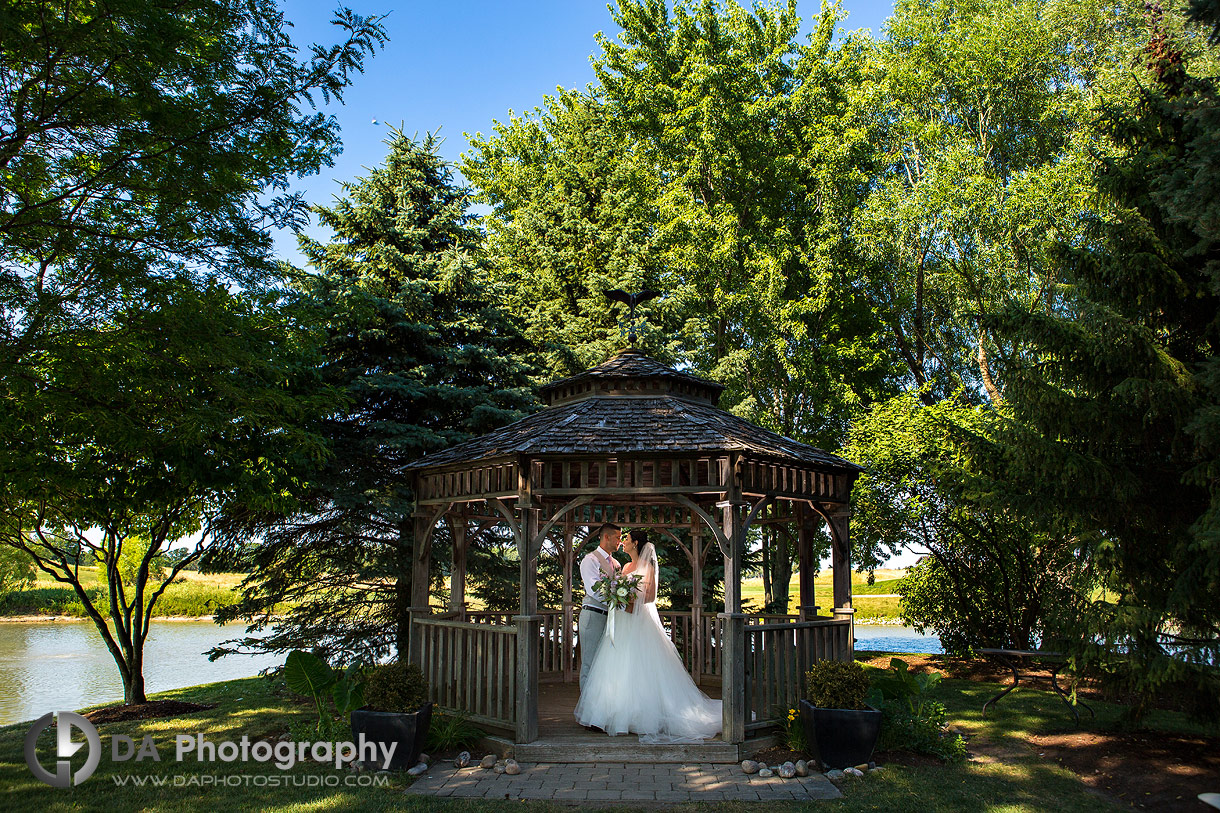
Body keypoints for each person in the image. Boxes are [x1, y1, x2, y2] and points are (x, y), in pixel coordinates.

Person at [573, 528, 722, 742]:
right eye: (618, 537)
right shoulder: (619, 566)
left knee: (637, 666)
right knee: (612, 667)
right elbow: (604, 589)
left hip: (636, 620)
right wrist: (621, 599)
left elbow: (650, 596)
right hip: (620, 620)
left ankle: (636, 714)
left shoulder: (641, 566)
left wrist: (628, 599)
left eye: (625, 539)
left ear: (635, 543)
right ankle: (602, 713)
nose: (622, 542)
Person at [577, 522, 622, 688]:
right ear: (606, 537)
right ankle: (585, 710)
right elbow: (593, 589)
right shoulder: (590, 560)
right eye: (617, 537)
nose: (620, 541)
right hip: (593, 615)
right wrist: (617, 602)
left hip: (610, 618)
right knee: (589, 663)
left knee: (606, 664)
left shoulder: (616, 564)